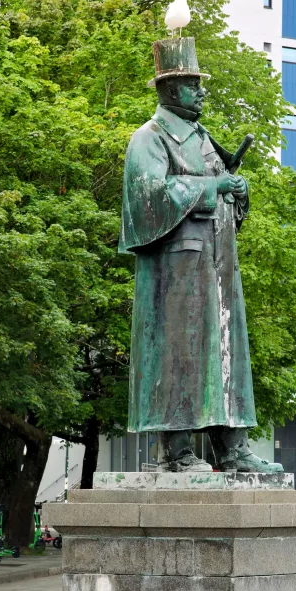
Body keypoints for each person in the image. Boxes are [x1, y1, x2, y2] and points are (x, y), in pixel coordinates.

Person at [119, 35, 283, 474]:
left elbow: (222, 192)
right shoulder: (149, 138)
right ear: (171, 89)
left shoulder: (203, 138)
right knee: (180, 355)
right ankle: (176, 452)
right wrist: (213, 187)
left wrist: (239, 191)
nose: (201, 91)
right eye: (193, 85)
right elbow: (147, 196)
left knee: (228, 352)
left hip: (218, 267)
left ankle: (233, 447)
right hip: (177, 271)